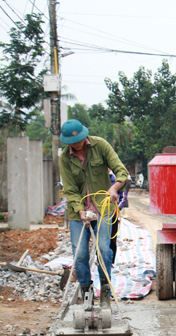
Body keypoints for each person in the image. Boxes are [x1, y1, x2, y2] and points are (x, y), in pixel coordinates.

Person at [59, 119, 129, 306]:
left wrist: (114, 187)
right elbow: (70, 190)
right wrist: (80, 210)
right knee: (80, 253)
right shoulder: (65, 158)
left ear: (84, 135)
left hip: (103, 207)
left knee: (104, 250)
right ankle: (86, 289)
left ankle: (105, 289)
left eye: (79, 139)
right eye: (72, 142)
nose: (76, 144)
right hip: (78, 213)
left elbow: (122, 171)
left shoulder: (100, 146)